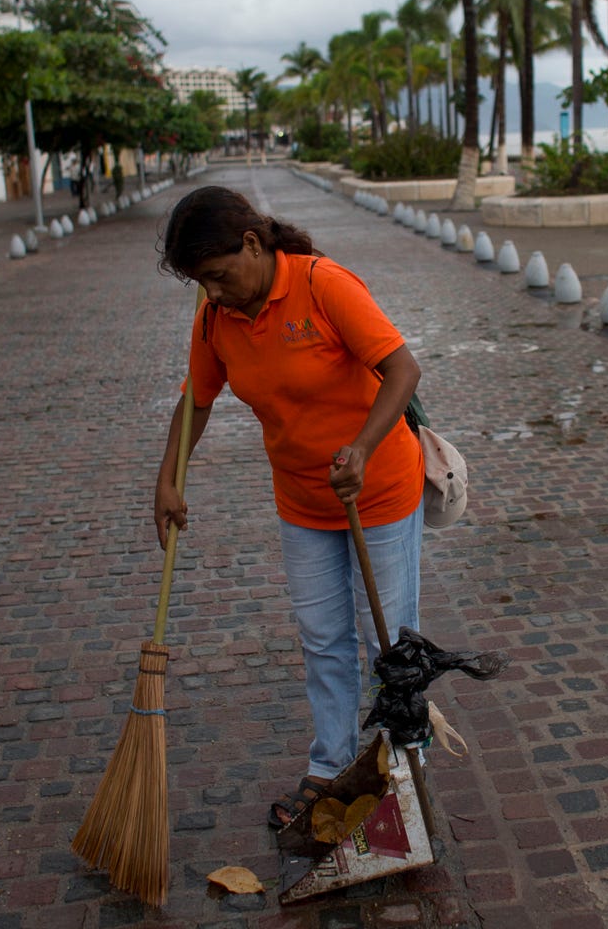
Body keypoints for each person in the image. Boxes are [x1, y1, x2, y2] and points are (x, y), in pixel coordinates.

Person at [152, 185, 424, 829]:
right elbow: (197, 400)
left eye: (218, 276)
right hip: (302, 501)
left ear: (252, 244)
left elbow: (403, 370)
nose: (213, 293)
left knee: (388, 642)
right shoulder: (216, 317)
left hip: (376, 490)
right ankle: (331, 766)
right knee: (323, 639)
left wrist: (360, 448)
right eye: (202, 283)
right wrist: (168, 478)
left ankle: (403, 760)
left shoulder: (323, 285)